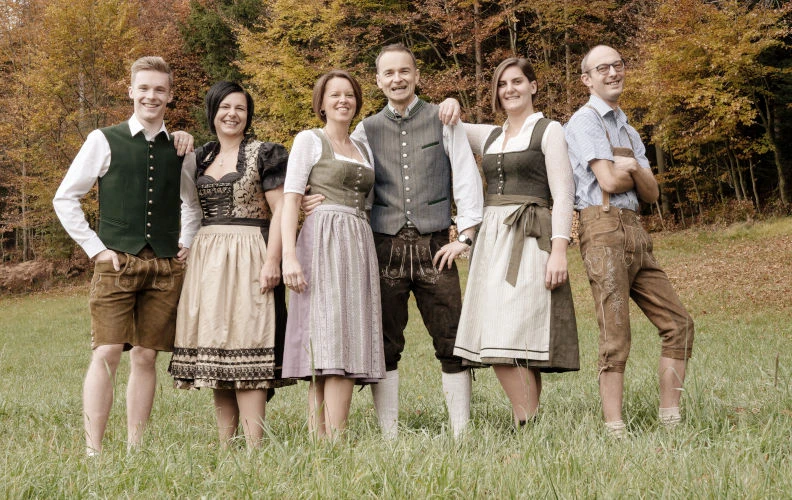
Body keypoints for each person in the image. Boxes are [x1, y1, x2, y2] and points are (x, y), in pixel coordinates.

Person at [306, 44, 484, 439]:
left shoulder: (443, 118)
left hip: (435, 244)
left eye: (404, 71)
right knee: (385, 341)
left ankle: (461, 432)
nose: (397, 79)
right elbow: (343, 170)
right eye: (389, 73)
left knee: (451, 335)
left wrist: (466, 236)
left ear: (417, 75)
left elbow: (467, 178)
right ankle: (389, 433)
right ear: (378, 80)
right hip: (382, 246)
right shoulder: (364, 129)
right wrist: (308, 195)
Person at [53, 56, 201, 456]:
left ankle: (136, 447)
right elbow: (65, 197)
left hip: (164, 267)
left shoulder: (182, 148)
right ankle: (93, 450)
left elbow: (192, 203)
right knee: (106, 352)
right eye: (144, 88)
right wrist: (96, 249)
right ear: (130, 90)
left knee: (147, 356)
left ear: (170, 96)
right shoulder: (103, 139)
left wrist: (187, 238)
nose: (151, 96)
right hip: (116, 263)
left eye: (159, 89)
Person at [565, 45, 694, 437]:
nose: (612, 73)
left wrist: (633, 167)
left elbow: (652, 193)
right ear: (587, 78)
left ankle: (670, 419)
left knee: (679, 324)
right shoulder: (584, 121)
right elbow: (607, 181)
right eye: (602, 68)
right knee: (615, 334)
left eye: (618, 65)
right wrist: (631, 174)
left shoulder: (628, 129)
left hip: (636, 230)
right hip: (602, 229)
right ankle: (614, 428)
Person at [452, 57, 579, 428]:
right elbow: (449, 125)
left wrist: (559, 250)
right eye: (502, 84)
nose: (510, 89)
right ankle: (529, 423)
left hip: (531, 236)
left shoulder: (549, 130)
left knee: (513, 332)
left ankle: (526, 422)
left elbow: (564, 193)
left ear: (533, 86)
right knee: (502, 333)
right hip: (492, 241)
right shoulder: (489, 135)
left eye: (517, 81)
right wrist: (449, 105)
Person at [167, 81, 292, 448]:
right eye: (225, 107)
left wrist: (274, 261)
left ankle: (255, 443)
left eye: (240, 108)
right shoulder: (200, 156)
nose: (232, 114)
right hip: (208, 258)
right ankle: (226, 443)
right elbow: (187, 204)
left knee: (249, 341)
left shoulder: (264, 153)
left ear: (248, 115)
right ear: (213, 112)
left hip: (252, 251)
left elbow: (282, 208)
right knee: (217, 349)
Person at [281, 70, 385, 439]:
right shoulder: (310, 139)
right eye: (334, 95)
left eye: (350, 95)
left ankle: (326, 438)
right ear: (321, 102)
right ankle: (326, 437)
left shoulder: (363, 146)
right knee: (326, 335)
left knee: (346, 334)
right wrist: (288, 257)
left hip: (357, 240)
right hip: (322, 238)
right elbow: (292, 197)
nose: (343, 100)